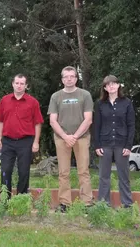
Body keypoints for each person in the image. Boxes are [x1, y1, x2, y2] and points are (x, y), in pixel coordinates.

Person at [48, 66, 93, 213]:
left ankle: (87, 203)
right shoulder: (56, 96)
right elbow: (53, 121)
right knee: (63, 172)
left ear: (76, 78)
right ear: (62, 79)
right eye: (66, 76)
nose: (69, 79)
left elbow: (88, 119)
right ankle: (65, 203)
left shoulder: (85, 95)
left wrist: (75, 136)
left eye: (72, 76)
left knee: (83, 171)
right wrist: (66, 136)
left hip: (82, 138)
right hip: (62, 139)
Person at [0, 74, 44, 197]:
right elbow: (0, 120)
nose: (19, 86)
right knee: (5, 170)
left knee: (24, 172)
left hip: (25, 142)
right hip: (7, 141)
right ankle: (5, 198)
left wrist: (36, 142)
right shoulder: (4, 100)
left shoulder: (33, 102)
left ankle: (21, 198)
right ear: (13, 84)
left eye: (22, 83)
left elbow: (38, 123)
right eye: (17, 83)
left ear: (26, 86)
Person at [94, 75, 135, 208]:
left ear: (118, 85)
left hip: (121, 144)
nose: (111, 86)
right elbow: (96, 125)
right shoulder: (100, 104)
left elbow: (131, 125)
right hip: (104, 144)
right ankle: (103, 205)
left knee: (124, 176)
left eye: (114, 83)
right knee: (103, 176)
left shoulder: (127, 103)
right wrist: (97, 145)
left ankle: (127, 205)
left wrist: (128, 145)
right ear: (105, 88)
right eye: (108, 84)